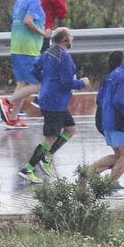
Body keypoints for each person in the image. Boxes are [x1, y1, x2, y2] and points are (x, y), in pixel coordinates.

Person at [20, 28, 88, 184]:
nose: (73, 38)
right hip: (55, 102)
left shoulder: (48, 52)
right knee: (50, 138)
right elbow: (66, 82)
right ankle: (28, 168)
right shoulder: (64, 58)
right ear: (64, 39)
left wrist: (46, 81)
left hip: (50, 98)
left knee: (70, 129)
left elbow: (34, 69)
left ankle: (47, 157)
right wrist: (82, 83)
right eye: (71, 35)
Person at [0, 0, 48, 127]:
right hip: (28, 49)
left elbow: (15, 21)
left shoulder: (21, 0)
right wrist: (43, 33)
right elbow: (27, 21)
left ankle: (12, 118)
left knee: (23, 83)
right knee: (39, 84)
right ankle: (7, 102)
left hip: (17, 46)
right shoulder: (35, 1)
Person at [90, 49, 124, 185]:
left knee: (119, 155)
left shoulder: (111, 75)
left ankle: (88, 173)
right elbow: (119, 101)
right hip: (118, 121)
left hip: (106, 120)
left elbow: (100, 99)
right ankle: (109, 185)